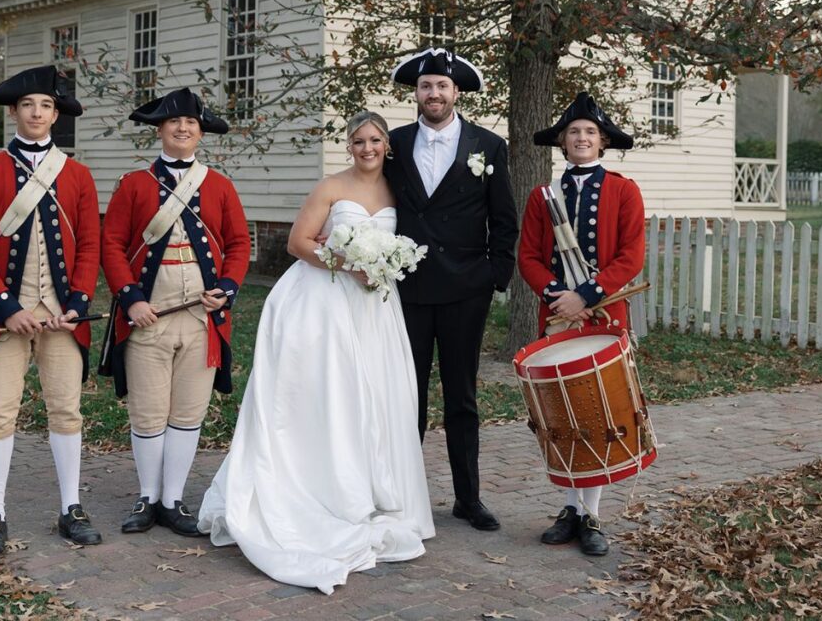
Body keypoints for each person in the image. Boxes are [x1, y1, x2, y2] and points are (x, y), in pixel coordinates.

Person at [198, 111, 435, 595]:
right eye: (358, 140)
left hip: (374, 309)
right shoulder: (331, 186)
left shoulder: (396, 191)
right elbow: (297, 242)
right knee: (326, 392)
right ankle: (319, 485)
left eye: (374, 140)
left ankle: (367, 487)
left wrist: (381, 264)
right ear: (348, 145)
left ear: (386, 145)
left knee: (371, 395)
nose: (366, 147)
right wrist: (351, 264)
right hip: (324, 301)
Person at [0, 65, 102, 559]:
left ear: (55, 115)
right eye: (28, 105)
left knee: (66, 410)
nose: (37, 113)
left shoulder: (77, 175)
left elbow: (90, 246)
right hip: (5, 319)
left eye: (46, 106)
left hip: (60, 317)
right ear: (14, 113)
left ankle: (71, 508)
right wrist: (5, 306)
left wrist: (77, 303)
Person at [100, 87, 250, 538]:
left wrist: (226, 288)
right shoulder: (134, 185)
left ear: (200, 132)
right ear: (160, 130)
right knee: (148, 412)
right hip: (149, 315)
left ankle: (172, 499)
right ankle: (147, 496)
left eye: (191, 123)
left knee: (187, 412)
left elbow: (240, 245)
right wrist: (131, 297)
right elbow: (111, 245)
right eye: (173, 122)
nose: (182, 128)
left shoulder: (220, 185)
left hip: (203, 319)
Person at [384, 48, 518, 531]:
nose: (433, 94)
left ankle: (468, 498)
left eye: (442, 86)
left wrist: (493, 276)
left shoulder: (489, 145)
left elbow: (505, 221)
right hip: (409, 291)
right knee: (408, 397)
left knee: (461, 398)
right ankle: (405, 496)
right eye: (425, 87)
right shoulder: (393, 144)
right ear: (416, 94)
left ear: (456, 91)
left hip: (466, 291)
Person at [517, 91, 645, 556]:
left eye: (590, 132)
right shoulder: (542, 197)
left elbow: (631, 256)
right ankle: (570, 509)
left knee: (600, 412)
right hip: (556, 314)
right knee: (562, 413)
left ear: (603, 141)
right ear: (563, 143)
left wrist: (586, 295)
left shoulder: (624, 190)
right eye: (574, 132)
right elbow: (529, 255)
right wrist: (558, 296)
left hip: (606, 313)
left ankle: (592, 514)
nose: (582, 138)